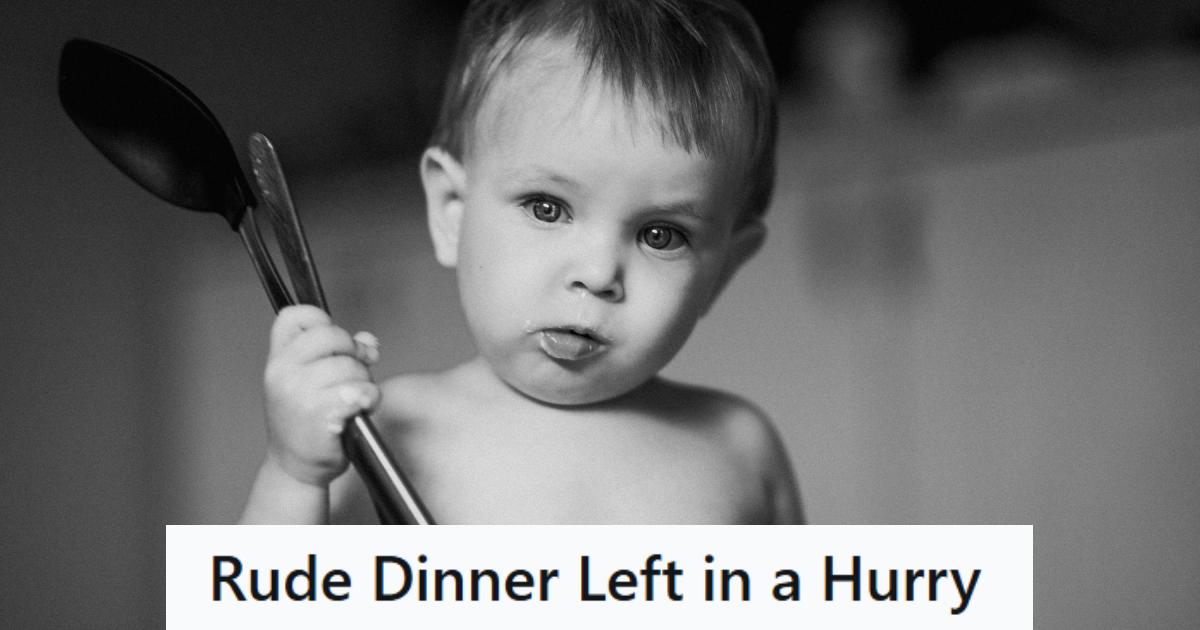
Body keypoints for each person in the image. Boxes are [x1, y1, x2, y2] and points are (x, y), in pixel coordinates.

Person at [241, 0, 803, 525]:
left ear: (724, 268)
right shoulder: (384, 433)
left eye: (661, 234)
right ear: (451, 212)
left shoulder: (740, 448)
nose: (597, 273)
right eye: (547, 207)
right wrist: (294, 473)